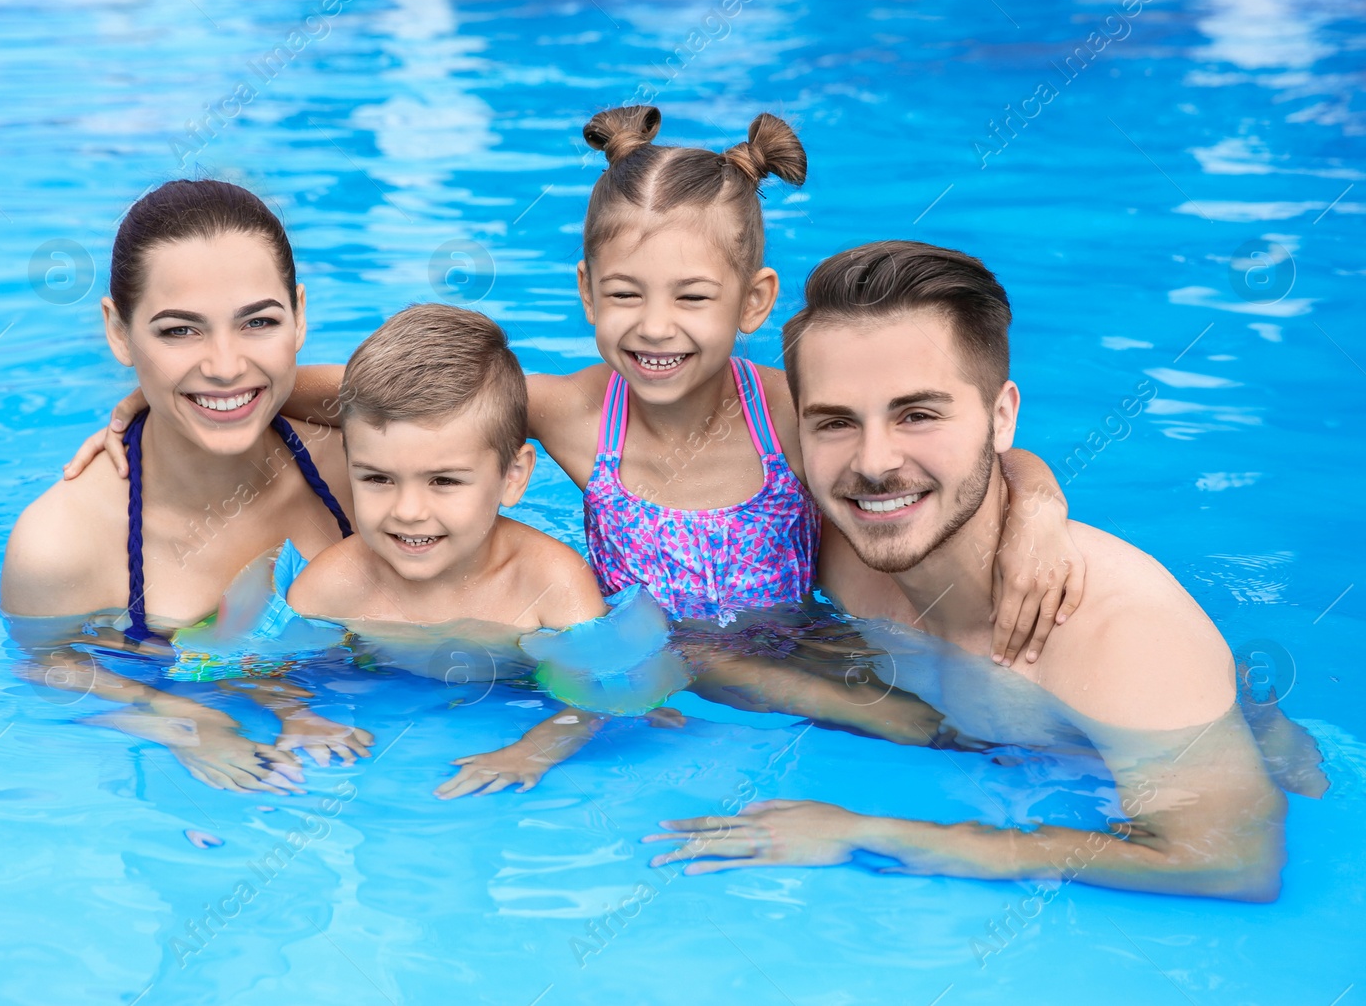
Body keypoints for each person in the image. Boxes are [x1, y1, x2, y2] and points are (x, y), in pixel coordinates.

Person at [69, 109, 1084, 663]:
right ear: (586, 293)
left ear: (752, 299)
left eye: (692, 295)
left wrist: (1037, 508)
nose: (654, 326)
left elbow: (955, 452)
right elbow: (334, 388)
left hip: (791, 655)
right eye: (625, 293)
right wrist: (160, 396)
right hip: (624, 670)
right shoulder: (561, 407)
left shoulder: (789, 407)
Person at [646, 241, 1304, 902]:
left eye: (918, 414)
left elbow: (1233, 859)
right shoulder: (825, 546)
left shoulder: (1119, 635)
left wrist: (870, 833)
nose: (874, 461)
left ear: (1002, 416)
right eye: (837, 422)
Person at [1, 179, 373, 794]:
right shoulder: (63, 542)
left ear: (300, 316)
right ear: (119, 332)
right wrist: (183, 719)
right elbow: (49, 664)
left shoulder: (367, 470)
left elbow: (478, 406)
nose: (224, 364)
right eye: (179, 331)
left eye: (258, 322)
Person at [285, 304, 683, 798]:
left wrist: (533, 750)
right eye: (378, 478)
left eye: (444, 480)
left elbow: (604, 692)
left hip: (521, 698)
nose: (408, 511)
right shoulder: (337, 581)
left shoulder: (550, 583)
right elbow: (246, 665)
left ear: (513, 477)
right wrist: (297, 717)